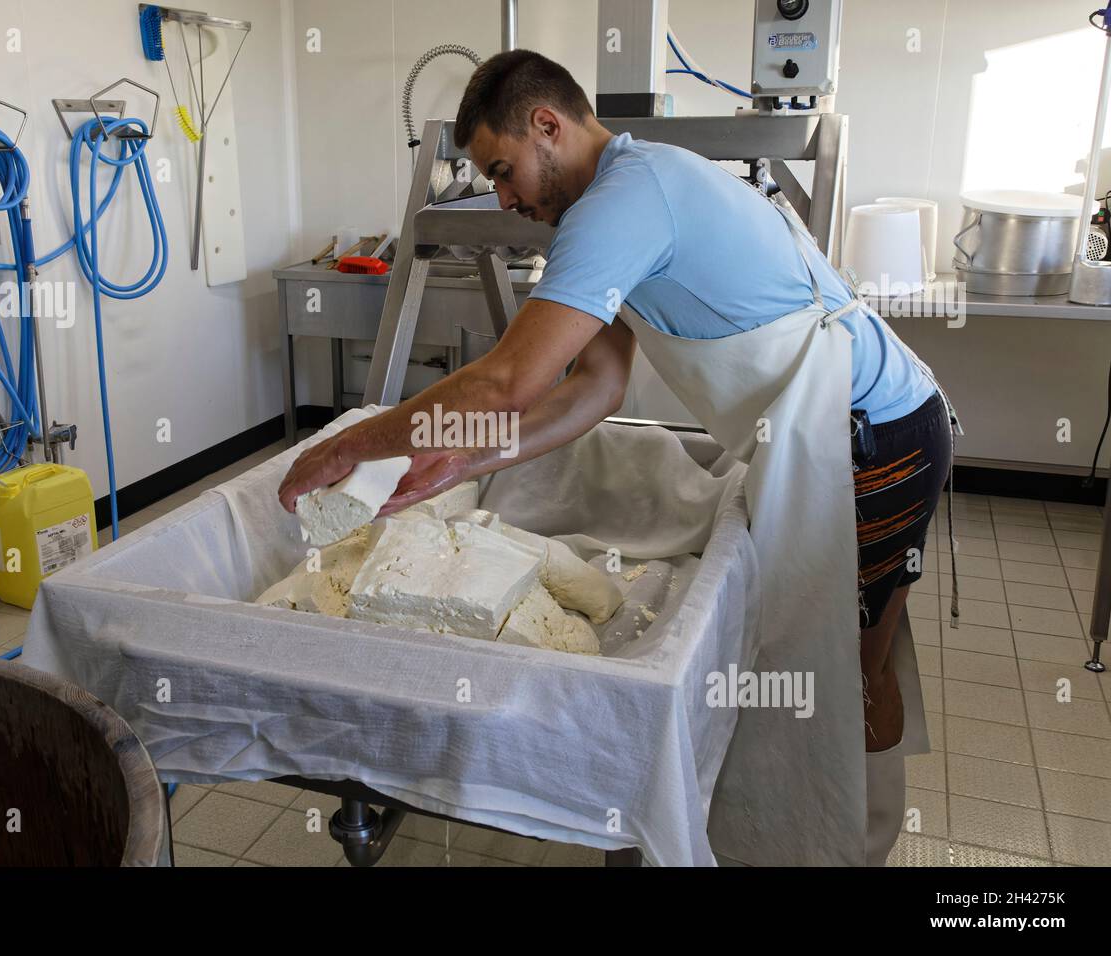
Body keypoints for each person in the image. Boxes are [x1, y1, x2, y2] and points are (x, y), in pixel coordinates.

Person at [278, 49, 953, 866]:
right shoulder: (637, 189)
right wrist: (465, 463)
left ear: (548, 125)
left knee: (840, 675)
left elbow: (506, 380)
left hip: (869, 441)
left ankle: (850, 846)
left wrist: (349, 442)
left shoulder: (626, 201)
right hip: (866, 427)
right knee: (849, 667)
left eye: (502, 169)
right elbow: (592, 388)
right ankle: (845, 840)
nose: (503, 197)